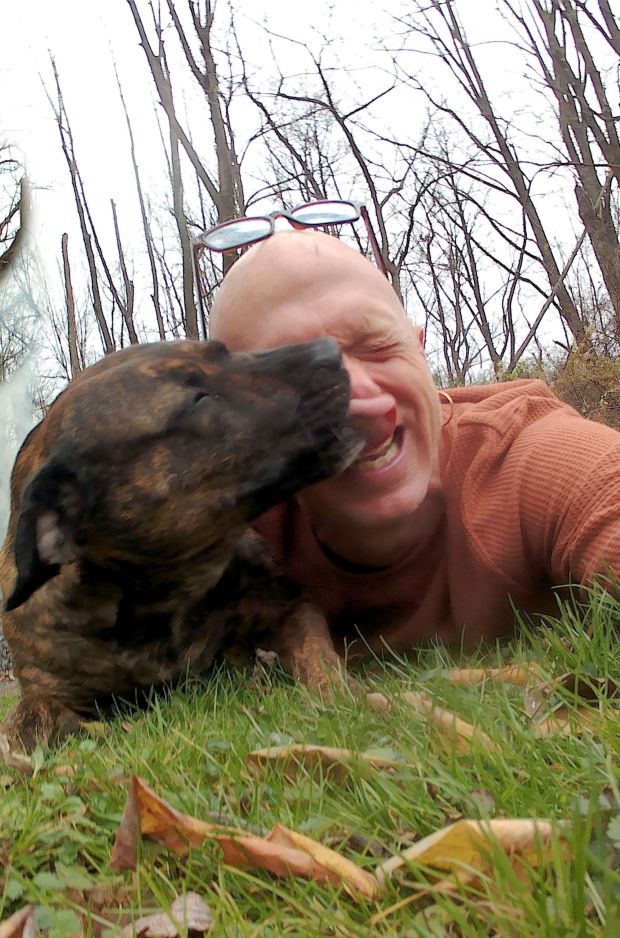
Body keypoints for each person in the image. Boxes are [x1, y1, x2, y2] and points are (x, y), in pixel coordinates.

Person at [207, 225, 620, 657]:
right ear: (244, 425)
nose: (362, 403)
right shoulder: (227, 531)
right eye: (292, 374)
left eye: (377, 346)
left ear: (419, 351)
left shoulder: (528, 459)